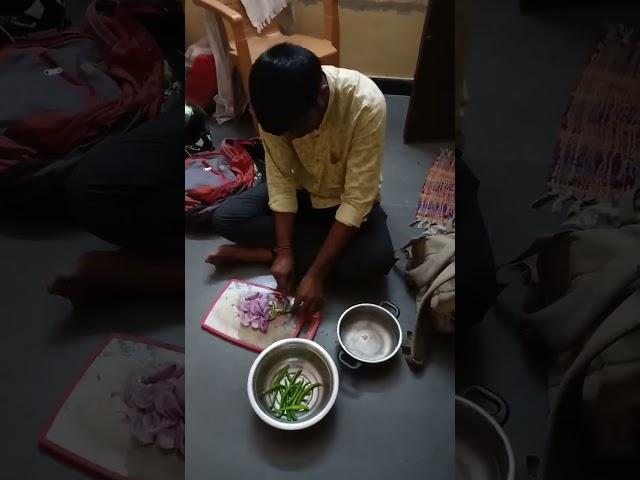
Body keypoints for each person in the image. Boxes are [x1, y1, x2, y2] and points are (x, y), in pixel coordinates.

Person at [205, 43, 396, 315]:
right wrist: (284, 250)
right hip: (302, 191)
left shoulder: (365, 104)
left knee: (378, 261)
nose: (290, 139)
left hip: (343, 199)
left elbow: (356, 200)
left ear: (320, 98)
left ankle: (264, 254)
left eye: (295, 130)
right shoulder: (273, 106)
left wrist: (317, 275)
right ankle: (289, 253)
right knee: (226, 218)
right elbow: (281, 179)